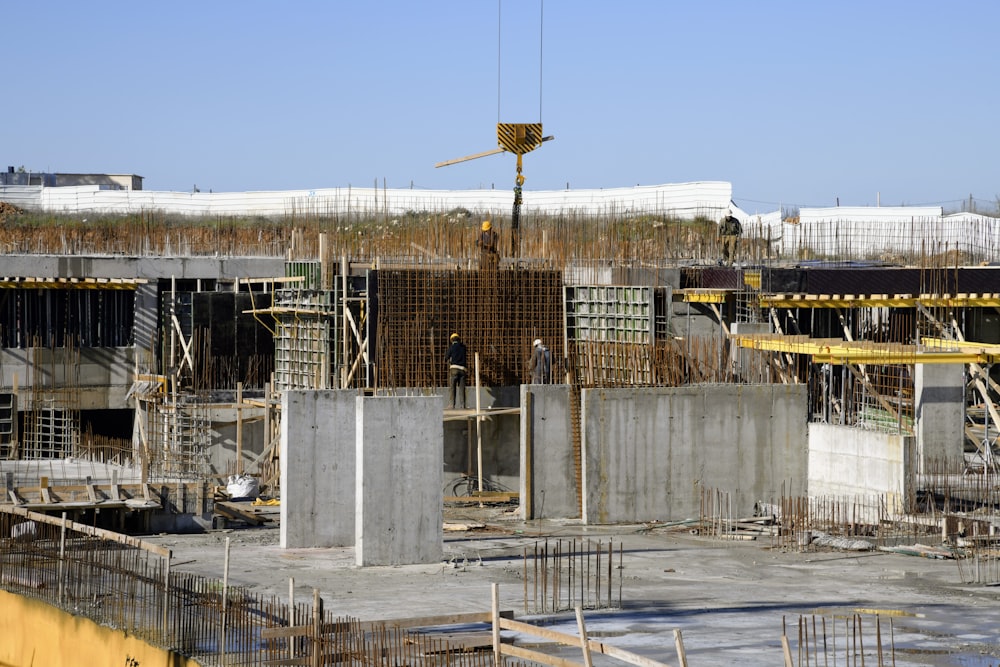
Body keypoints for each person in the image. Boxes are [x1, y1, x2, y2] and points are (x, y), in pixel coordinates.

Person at [444, 332, 467, 409]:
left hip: (454, 369)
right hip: (463, 369)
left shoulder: (452, 347)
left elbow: (446, 357)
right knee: (462, 388)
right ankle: (462, 405)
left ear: (452, 340)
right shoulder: (463, 347)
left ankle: (451, 404)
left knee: (452, 387)